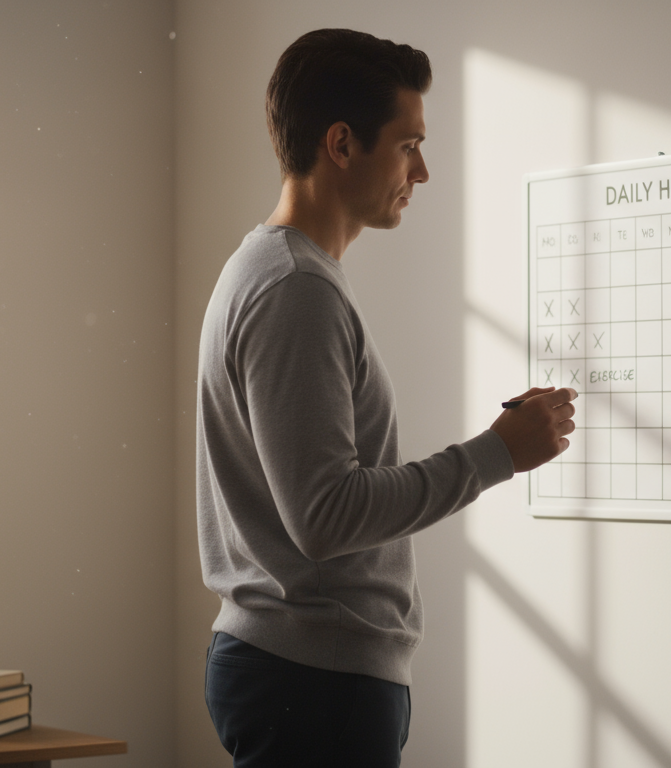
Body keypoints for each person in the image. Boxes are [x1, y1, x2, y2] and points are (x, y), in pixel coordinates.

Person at [197, 28, 576, 767]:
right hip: (313, 680)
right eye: (409, 146)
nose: (422, 171)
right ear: (342, 144)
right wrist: (496, 454)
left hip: (302, 673)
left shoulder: (278, 272)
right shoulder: (295, 290)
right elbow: (324, 516)